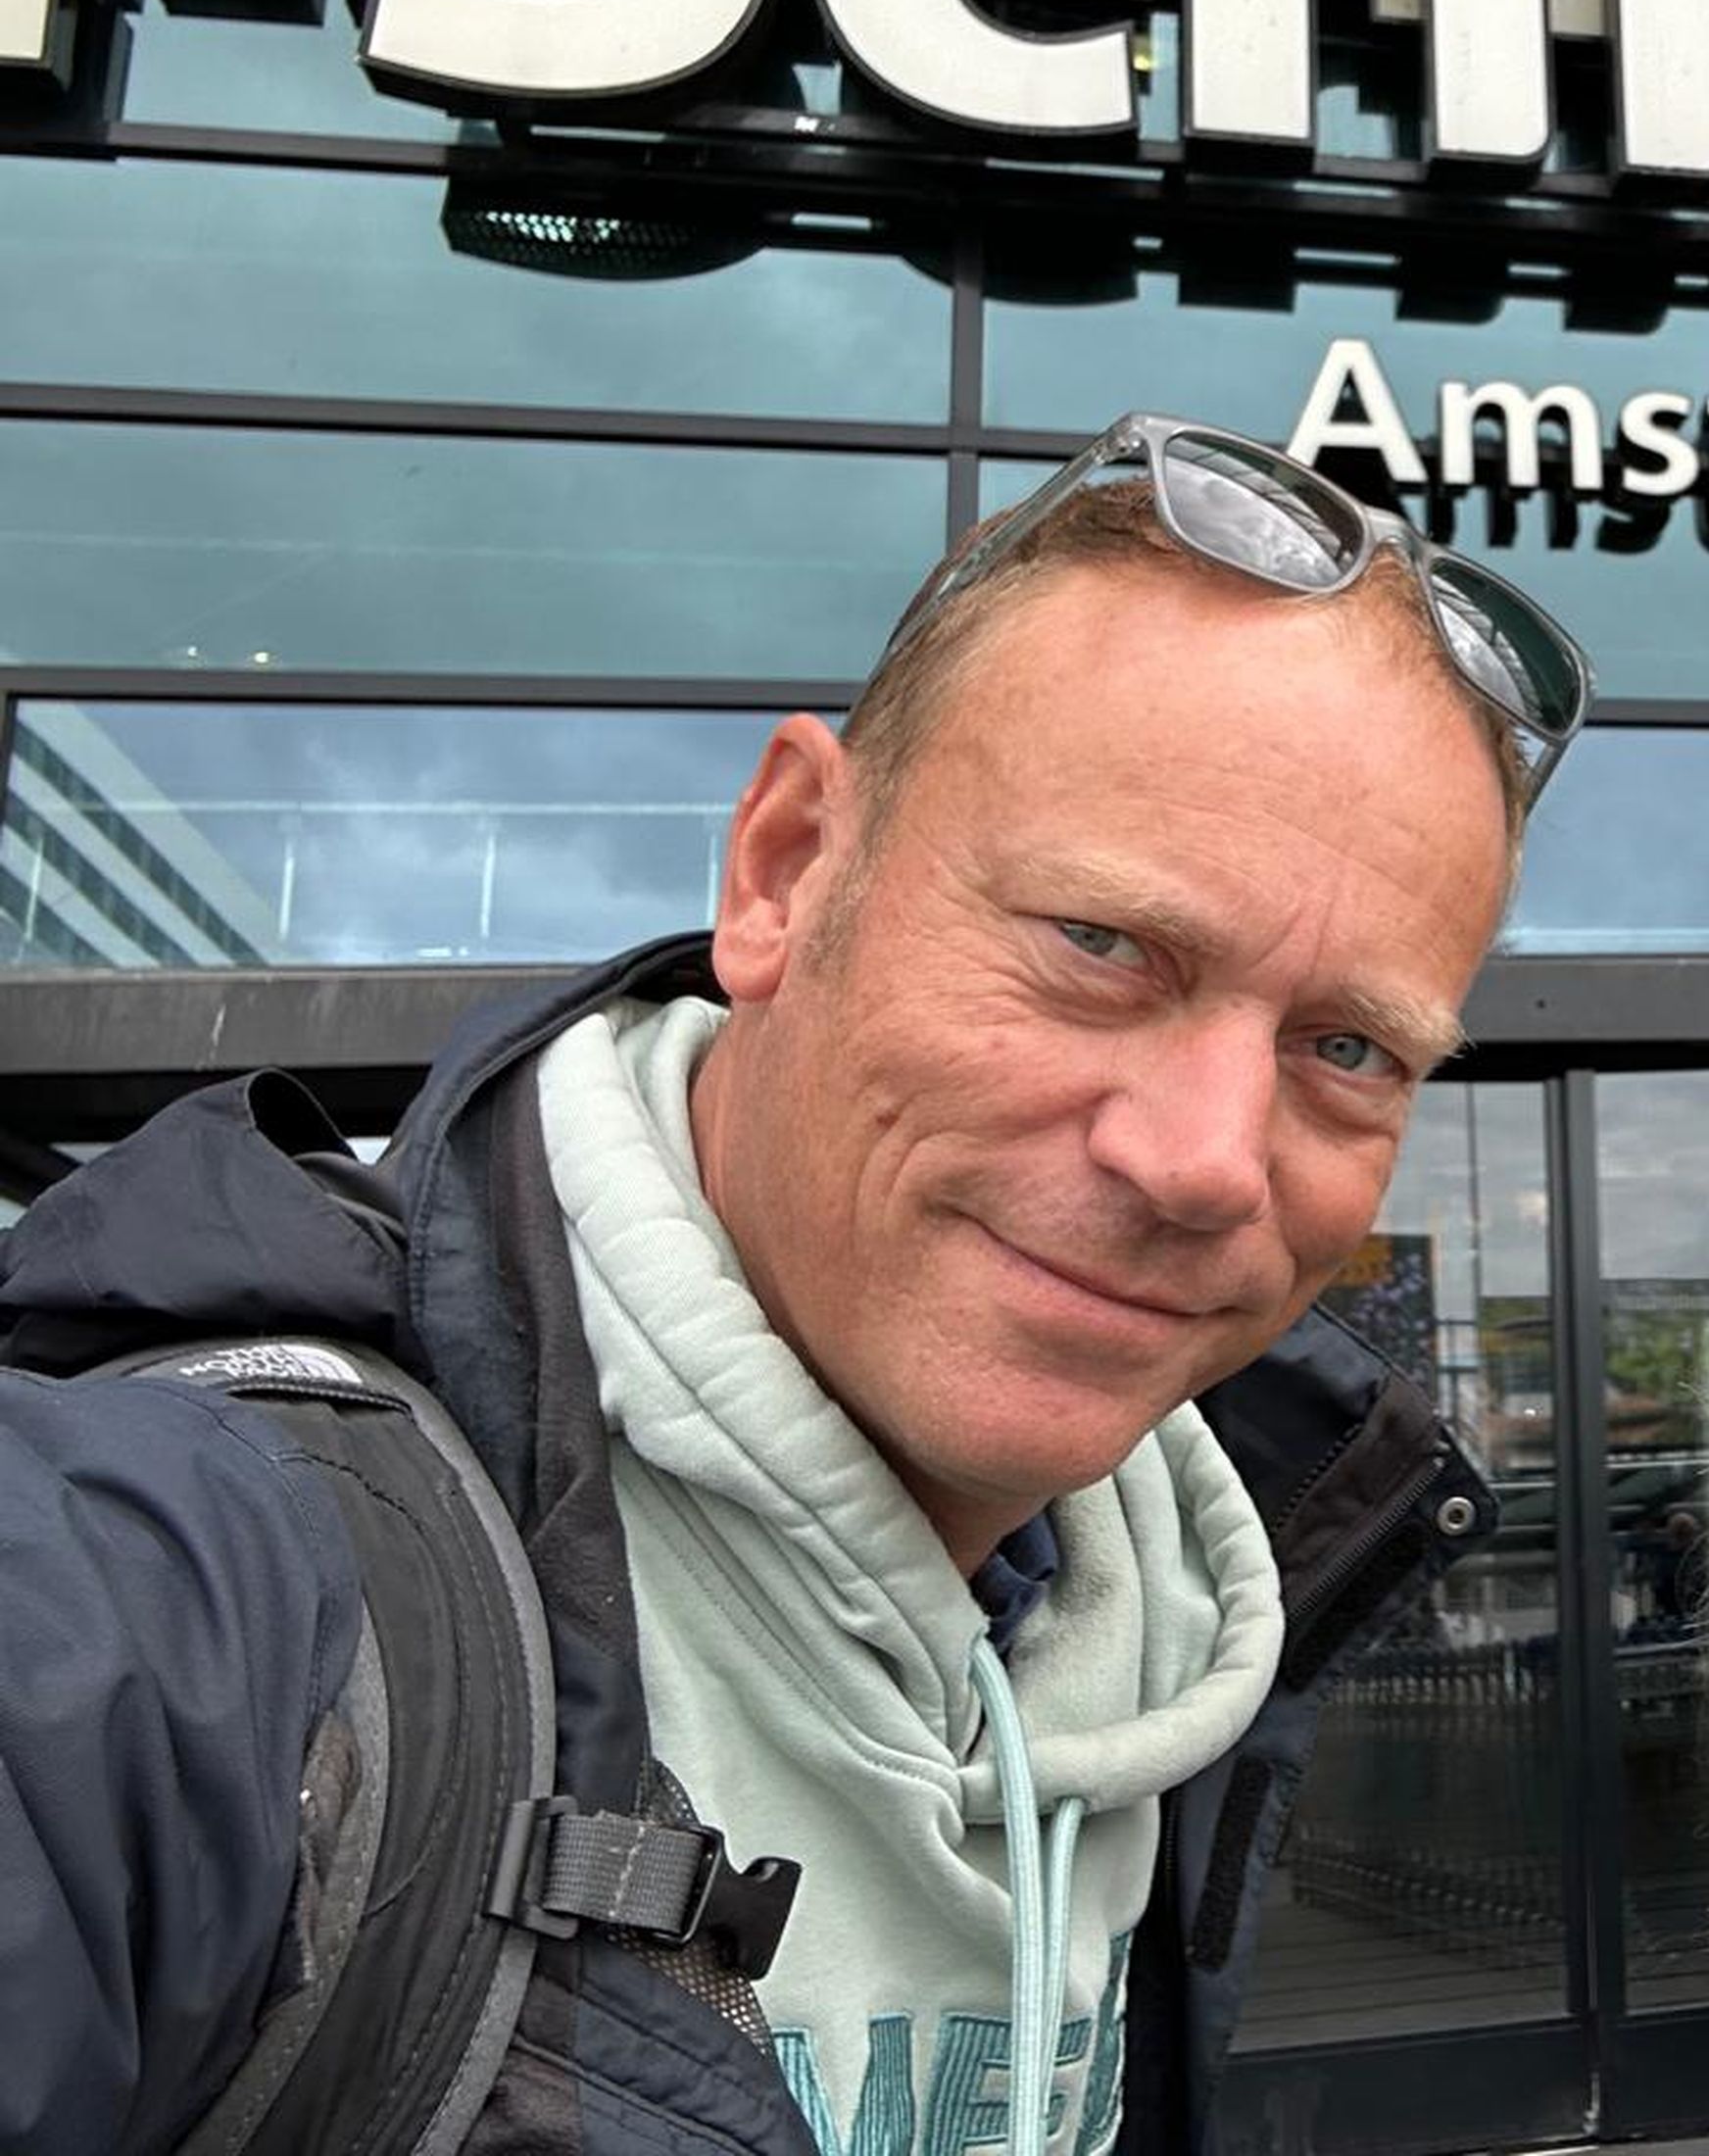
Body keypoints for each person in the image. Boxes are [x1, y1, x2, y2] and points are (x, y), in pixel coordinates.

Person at [0, 411, 1592, 2156]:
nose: (1207, 1158)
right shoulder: (167, 1600)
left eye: (1350, 1045)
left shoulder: (1176, 1633)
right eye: (1098, 945)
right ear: (782, 872)